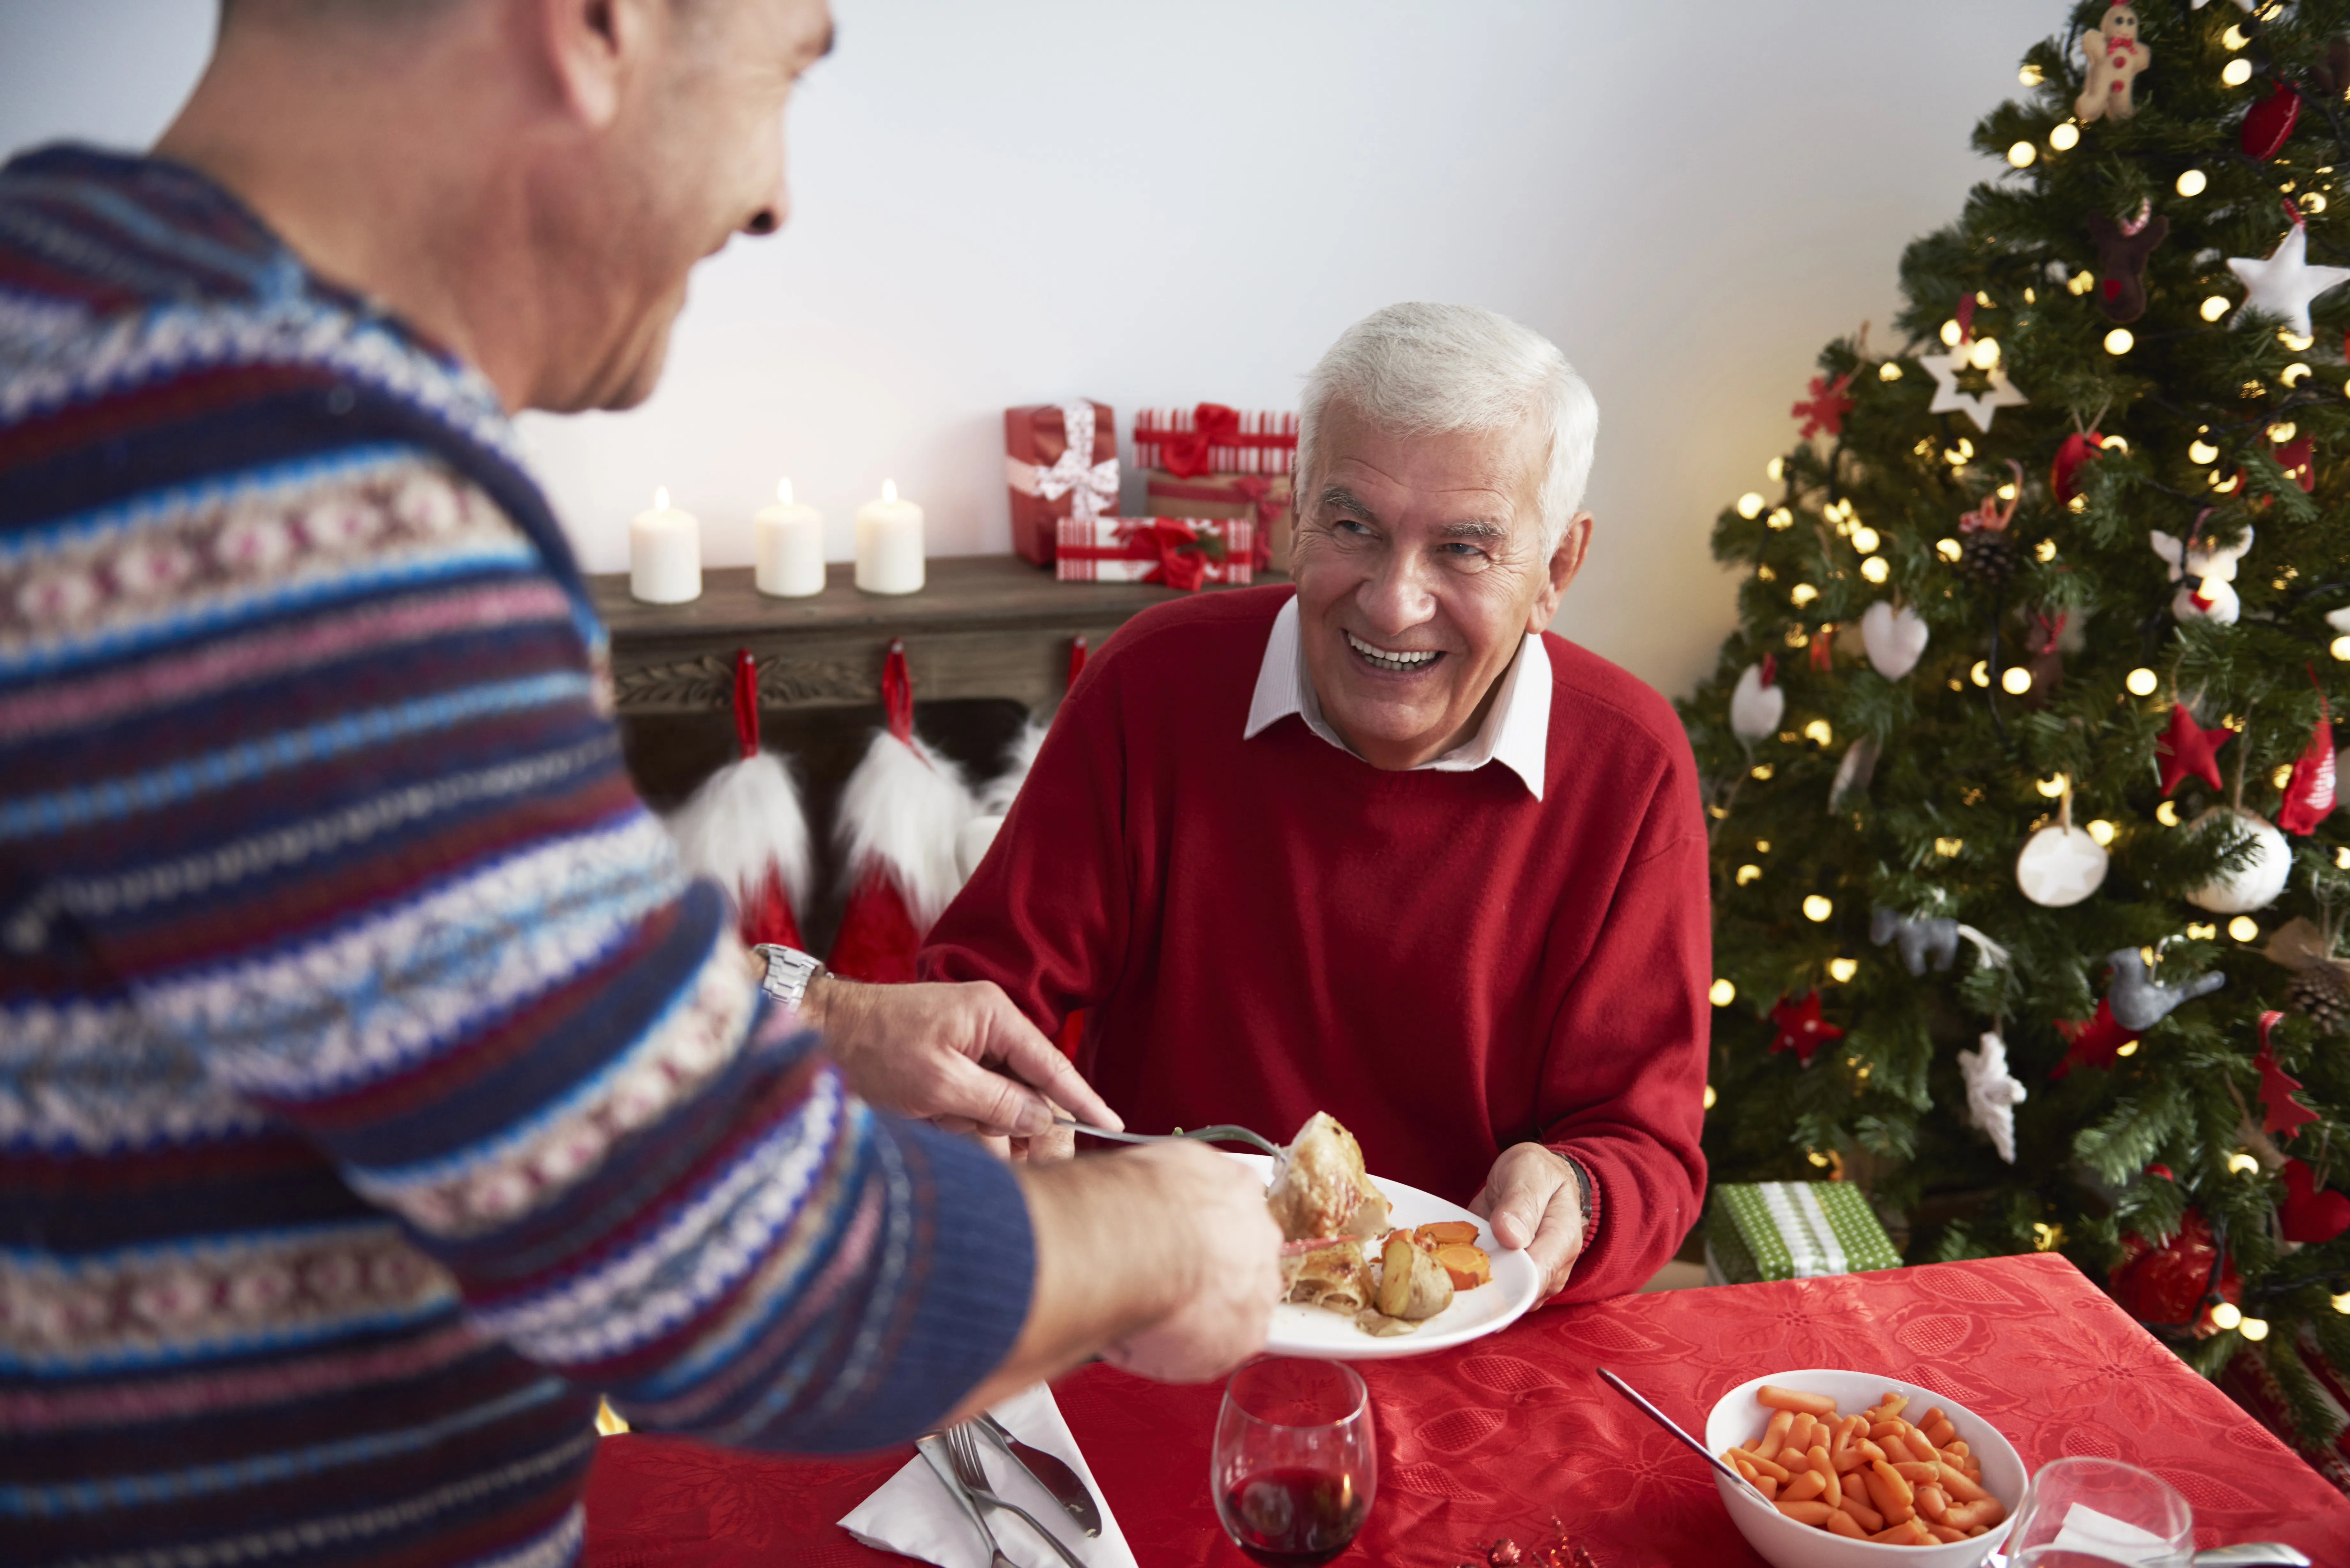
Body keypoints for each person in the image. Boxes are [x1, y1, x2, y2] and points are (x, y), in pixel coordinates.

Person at [0, 2, 1278, 1564]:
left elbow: (397, 998)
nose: (775, 197)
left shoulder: (62, 308)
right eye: (784, 67)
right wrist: (1168, 1229)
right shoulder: (290, 489)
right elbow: (737, 1264)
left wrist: (816, 1017)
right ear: (597, 26)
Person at [924, 302, 1710, 1304]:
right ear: (1295, 512)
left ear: (1557, 568)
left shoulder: (1632, 765)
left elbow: (1644, 1147)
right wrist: (986, 1127)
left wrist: (1579, 1191)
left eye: (1464, 550)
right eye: (1353, 527)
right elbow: (985, 999)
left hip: (1462, 1323)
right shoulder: (1154, 682)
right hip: (1153, 1298)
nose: (1393, 602)